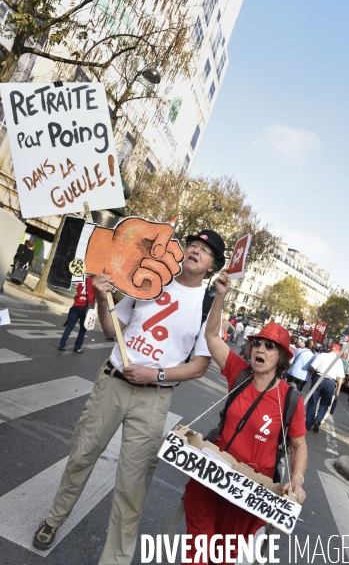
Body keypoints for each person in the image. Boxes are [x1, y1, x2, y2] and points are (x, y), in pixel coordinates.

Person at [33, 229, 225, 565]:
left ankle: (115, 559)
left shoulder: (210, 309)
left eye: (205, 250)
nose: (195, 250)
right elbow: (111, 330)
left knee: (133, 485)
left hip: (153, 398)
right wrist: (100, 297)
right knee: (82, 454)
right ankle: (53, 519)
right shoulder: (152, 279)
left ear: (212, 266)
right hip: (113, 382)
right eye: (192, 244)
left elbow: (198, 366)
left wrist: (158, 374)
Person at [183, 270, 307, 564]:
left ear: (282, 359)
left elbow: (299, 446)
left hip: (252, 491)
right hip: (213, 476)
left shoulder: (291, 400)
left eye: (270, 346)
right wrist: (220, 297)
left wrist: (297, 479)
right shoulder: (238, 372)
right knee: (199, 553)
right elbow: (212, 335)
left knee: (222, 558)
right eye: (258, 344)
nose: (260, 349)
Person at [305, 344, 344, 432]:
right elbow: (340, 377)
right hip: (330, 382)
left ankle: (308, 424)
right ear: (337, 352)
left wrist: (311, 373)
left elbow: (312, 367)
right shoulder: (339, 361)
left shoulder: (322, 355)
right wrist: (338, 389)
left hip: (319, 378)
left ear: (330, 349)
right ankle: (318, 420)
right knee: (325, 403)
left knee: (313, 401)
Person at [58, 277, 95, 353]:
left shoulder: (82, 280)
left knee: (69, 326)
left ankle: (61, 345)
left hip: (76, 306)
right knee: (82, 329)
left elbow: (77, 291)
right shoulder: (95, 282)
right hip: (85, 308)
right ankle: (77, 347)